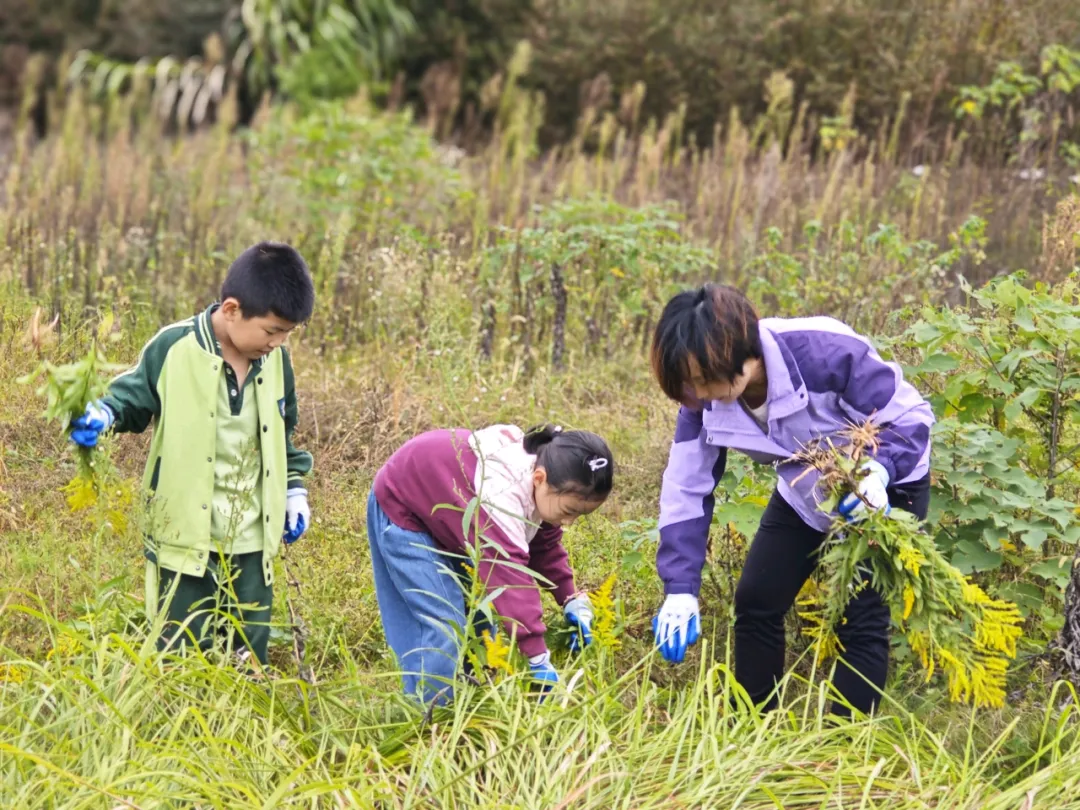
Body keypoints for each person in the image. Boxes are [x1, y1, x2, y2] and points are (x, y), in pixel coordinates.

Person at [649, 283, 934, 715]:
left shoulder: (824, 352)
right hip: (806, 490)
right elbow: (687, 485)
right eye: (690, 383)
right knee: (757, 600)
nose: (700, 393)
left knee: (859, 617)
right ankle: (751, 726)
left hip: (885, 487)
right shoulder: (700, 399)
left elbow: (910, 418)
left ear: (745, 351)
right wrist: (680, 587)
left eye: (707, 379)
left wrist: (881, 470)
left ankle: (842, 751)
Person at [69, 241, 315, 666]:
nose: (278, 343)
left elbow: (284, 434)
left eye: (287, 334)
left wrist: (294, 491)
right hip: (184, 538)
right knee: (180, 657)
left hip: (253, 539)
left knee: (246, 658)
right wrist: (102, 414)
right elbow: (129, 399)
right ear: (233, 309)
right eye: (273, 331)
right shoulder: (174, 347)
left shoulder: (276, 363)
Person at [368, 423, 613, 702]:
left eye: (579, 516)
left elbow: (544, 546)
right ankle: (429, 716)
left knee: (481, 625)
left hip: (454, 518)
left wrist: (570, 597)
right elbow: (508, 578)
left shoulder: (540, 487)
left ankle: (472, 701)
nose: (569, 522)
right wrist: (537, 657)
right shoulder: (501, 495)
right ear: (540, 478)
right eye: (568, 511)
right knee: (444, 625)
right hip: (406, 506)